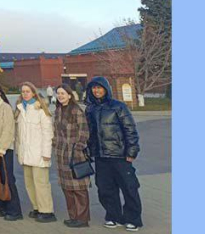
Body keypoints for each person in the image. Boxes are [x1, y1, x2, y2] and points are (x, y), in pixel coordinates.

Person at [85, 76, 142, 231]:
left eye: (99, 87)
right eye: (94, 88)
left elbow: (130, 130)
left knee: (129, 188)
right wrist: (89, 150)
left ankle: (133, 219)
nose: (96, 91)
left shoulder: (118, 107)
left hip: (120, 155)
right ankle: (113, 216)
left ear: (106, 89)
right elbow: (89, 133)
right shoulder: (90, 108)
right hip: (101, 157)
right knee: (105, 189)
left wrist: (132, 151)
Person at [16, 81, 56, 223]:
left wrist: (46, 153)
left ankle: (47, 210)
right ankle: (37, 207)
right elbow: (19, 134)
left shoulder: (41, 110)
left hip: (39, 153)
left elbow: (48, 133)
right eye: (23, 91)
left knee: (41, 183)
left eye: (27, 91)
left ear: (33, 93)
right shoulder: (20, 110)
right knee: (29, 183)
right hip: (26, 154)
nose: (25, 94)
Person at [53, 85, 92, 228]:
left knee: (79, 188)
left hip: (75, 154)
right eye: (58, 93)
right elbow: (55, 132)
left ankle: (82, 219)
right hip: (61, 154)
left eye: (63, 93)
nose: (60, 96)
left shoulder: (76, 110)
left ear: (70, 95)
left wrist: (78, 148)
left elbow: (84, 131)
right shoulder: (57, 111)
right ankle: (73, 216)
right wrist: (54, 145)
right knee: (67, 188)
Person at [0, 82, 23, 221]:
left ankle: (14, 209)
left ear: (0, 93)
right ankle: (1, 204)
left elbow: (8, 129)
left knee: (7, 178)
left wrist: (2, 147)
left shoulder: (5, 107)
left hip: (3, 148)